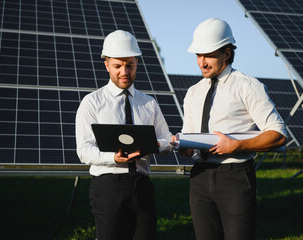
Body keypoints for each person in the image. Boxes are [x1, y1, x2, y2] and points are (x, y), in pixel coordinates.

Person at [177, 18, 287, 240]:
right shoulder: (193, 93)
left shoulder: (248, 86)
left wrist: (237, 145)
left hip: (234, 178)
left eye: (208, 55)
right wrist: (181, 145)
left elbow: (278, 134)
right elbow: (188, 140)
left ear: (227, 53)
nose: (202, 62)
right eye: (198, 55)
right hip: (199, 178)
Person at [75, 30, 172, 240]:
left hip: (142, 185)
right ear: (106, 65)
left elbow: (168, 140)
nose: (124, 71)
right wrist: (113, 158)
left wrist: (155, 144)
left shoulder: (149, 103)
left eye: (130, 64)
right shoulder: (92, 102)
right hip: (108, 186)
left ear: (137, 63)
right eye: (118, 66)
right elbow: (84, 150)